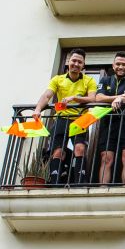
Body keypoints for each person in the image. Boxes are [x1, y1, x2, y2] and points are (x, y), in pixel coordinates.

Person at [31, 48, 99, 185]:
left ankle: (80, 182)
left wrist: (75, 98)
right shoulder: (58, 79)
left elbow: (92, 98)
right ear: (68, 62)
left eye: (80, 62)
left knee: (80, 149)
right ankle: (55, 182)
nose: (76, 64)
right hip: (61, 118)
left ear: (83, 65)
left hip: (80, 119)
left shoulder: (89, 80)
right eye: (74, 60)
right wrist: (38, 109)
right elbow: (47, 95)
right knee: (58, 151)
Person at [95, 51, 125, 184]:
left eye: (124, 64)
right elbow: (99, 97)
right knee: (106, 157)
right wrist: (119, 97)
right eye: (118, 64)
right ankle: (102, 190)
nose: (120, 67)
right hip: (108, 123)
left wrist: (121, 99)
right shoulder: (105, 80)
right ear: (113, 65)